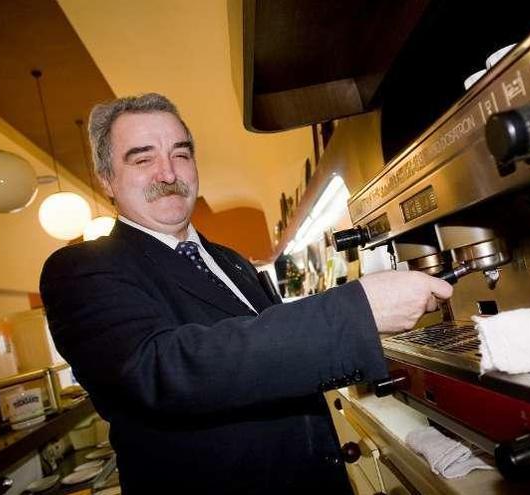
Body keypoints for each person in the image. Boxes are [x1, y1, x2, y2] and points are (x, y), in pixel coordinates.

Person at [39, 93, 452, 494]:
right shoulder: (81, 269)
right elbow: (162, 370)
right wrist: (359, 309)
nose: (168, 174)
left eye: (181, 154)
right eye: (143, 159)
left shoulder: (232, 260)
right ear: (106, 178)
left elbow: (272, 353)